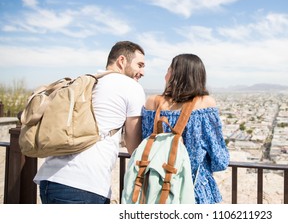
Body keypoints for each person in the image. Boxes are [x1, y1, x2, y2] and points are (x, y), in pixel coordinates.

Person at [34, 41, 146, 204]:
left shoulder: (87, 81)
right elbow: (133, 146)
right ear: (122, 61)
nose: (143, 72)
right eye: (140, 65)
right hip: (84, 185)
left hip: (49, 180)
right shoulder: (131, 87)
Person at [142, 53, 229, 204]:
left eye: (168, 70)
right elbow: (220, 159)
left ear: (176, 75)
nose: (165, 76)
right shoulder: (205, 104)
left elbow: (145, 144)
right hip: (195, 187)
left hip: (157, 187)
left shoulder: (152, 103)